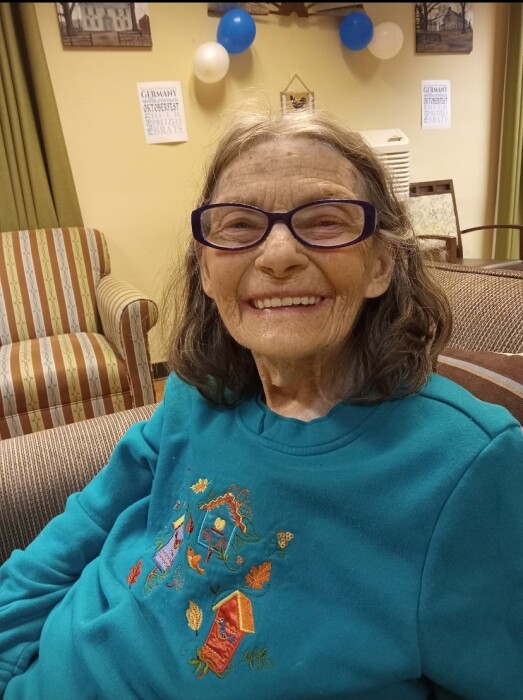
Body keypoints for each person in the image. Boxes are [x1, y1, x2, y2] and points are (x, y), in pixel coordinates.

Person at [1, 109, 522, 700]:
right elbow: (77, 534)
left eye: (324, 221)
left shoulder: (468, 465)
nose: (277, 255)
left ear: (381, 264)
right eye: (239, 225)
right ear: (206, 268)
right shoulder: (197, 391)